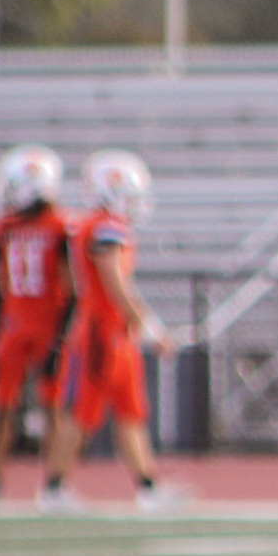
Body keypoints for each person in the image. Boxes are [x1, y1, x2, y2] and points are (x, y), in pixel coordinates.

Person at [39, 151, 175, 511]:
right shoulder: (104, 227)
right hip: (101, 332)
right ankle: (53, 488)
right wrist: (150, 327)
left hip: (115, 332)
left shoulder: (98, 225)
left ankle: (148, 487)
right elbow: (115, 281)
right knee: (81, 413)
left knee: (131, 411)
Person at [0, 146, 76, 505]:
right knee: (8, 408)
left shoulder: (58, 226)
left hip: (33, 327)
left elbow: (69, 287)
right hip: (20, 327)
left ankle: (50, 485)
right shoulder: (10, 227)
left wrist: (60, 338)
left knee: (48, 409)